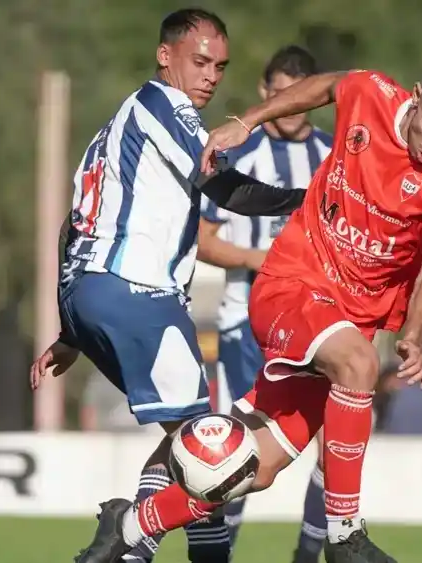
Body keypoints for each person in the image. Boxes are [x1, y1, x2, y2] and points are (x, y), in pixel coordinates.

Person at [76, 52, 422, 563]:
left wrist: (416, 332)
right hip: (291, 286)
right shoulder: (370, 92)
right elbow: (323, 87)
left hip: (346, 326)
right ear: (417, 94)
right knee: (359, 364)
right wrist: (248, 121)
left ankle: (129, 525)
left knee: (255, 466)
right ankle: (344, 536)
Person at [27, 9, 307, 563]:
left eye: (220, 67)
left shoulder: (115, 127)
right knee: (214, 451)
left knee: (191, 440)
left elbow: (73, 225)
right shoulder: (164, 105)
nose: (210, 76)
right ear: (164, 55)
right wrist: (308, 202)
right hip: (137, 293)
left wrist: (73, 327)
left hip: (92, 293)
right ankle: (132, 534)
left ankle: (131, 541)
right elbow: (226, 189)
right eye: (200, 61)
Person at [144, 45, 333, 563]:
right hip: (245, 326)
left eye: (299, 94)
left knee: (333, 444)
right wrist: (263, 258)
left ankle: (309, 555)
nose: (289, 105)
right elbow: (203, 239)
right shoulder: (238, 155)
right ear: (265, 93)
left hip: (316, 324)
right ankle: (212, 552)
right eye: (279, 93)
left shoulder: (335, 156)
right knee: (233, 452)